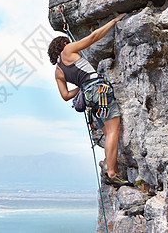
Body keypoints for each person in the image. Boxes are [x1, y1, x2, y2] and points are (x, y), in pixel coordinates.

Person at [47, 13, 132, 189]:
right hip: (98, 89)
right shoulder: (68, 49)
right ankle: (112, 174)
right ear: (63, 44)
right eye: (67, 41)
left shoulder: (58, 72)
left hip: (88, 96)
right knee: (114, 131)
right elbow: (93, 37)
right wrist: (113, 21)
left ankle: (113, 172)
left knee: (109, 133)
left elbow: (65, 96)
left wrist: (80, 86)